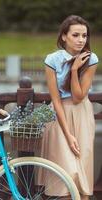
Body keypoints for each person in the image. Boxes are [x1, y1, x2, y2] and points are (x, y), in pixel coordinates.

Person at [39, 15, 99, 200]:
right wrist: (68, 134)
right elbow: (56, 100)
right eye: (75, 35)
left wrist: (74, 70)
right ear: (64, 36)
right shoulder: (52, 60)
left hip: (81, 113)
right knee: (63, 173)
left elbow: (79, 96)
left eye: (84, 35)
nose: (81, 40)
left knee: (81, 172)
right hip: (59, 116)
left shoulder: (91, 59)